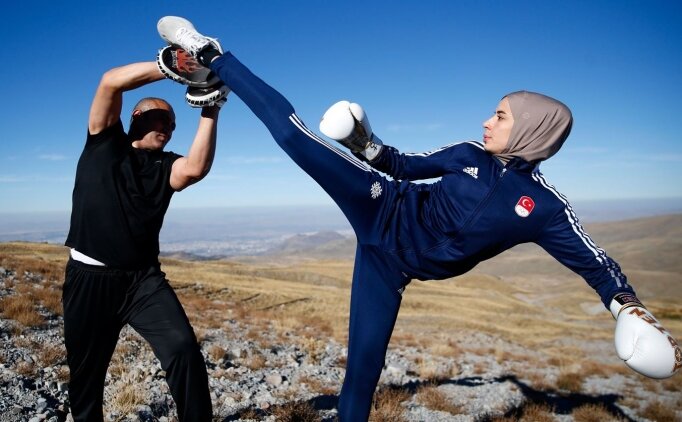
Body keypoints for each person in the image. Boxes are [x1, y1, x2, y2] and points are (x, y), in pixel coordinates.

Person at [157, 17, 681, 421]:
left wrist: (628, 309)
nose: (486, 120)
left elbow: (594, 262)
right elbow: (401, 165)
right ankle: (215, 57)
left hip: (389, 267)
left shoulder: (544, 209)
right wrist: (366, 142)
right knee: (296, 136)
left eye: (500, 115)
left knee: (364, 364)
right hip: (382, 203)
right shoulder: (467, 152)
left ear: (532, 130)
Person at [63, 56, 220, 420]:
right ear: (135, 119)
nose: (168, 125)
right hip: (90, 279)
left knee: (183, 348)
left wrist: (210, 107)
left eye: (172, 122)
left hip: (143, 281)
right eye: (159, 117)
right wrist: (170, 68)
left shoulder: (167, 166)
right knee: (87, 373)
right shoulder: (103, 143)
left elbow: (195, 168)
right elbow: (109, 83)